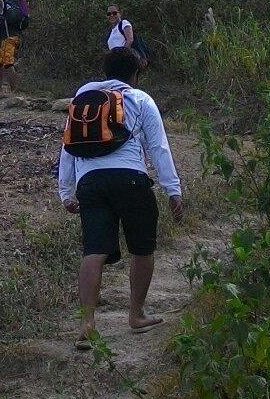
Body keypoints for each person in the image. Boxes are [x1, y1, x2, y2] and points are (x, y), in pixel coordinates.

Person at [58, 46, 184, 348]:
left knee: (94, 251)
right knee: (142, 248)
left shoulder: (83, 100)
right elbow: (159, 148)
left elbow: (67, 145)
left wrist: (66, 190)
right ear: (135, 75)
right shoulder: (140, 99)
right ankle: (137, 314)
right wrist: (173, 189)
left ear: (106, 71)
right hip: (130, 179)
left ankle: (87, 324)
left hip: (89, 182)